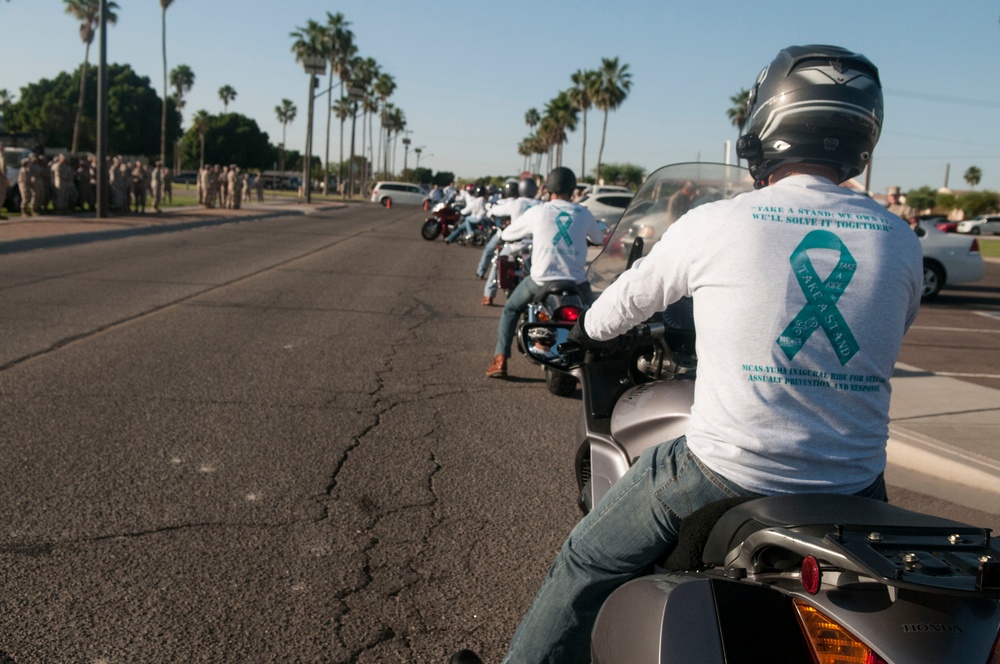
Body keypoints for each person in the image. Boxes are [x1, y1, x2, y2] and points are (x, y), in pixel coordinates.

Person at [494, 45, 922, 662]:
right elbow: (886, 328)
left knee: (585, 557)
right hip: (856, 485)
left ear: (767, 123)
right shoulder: (901, 240)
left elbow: (616, 309)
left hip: (726, 469)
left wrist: (585, 332)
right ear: (862, 132)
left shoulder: (718, 221)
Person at [485, 166, 604, 378]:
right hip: (576, 281)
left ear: (548, 189)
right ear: (573, 189)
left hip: (541, 280)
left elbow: (509, 234)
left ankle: (500, 359)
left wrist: (506, 233)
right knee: (599, 316)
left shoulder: (538, 212)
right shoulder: (583, 213)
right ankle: (602, 365)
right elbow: (598, 239)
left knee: (511, 309)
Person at [477, 177, 540, 305]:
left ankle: (488, 295)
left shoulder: (515, 203)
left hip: (516, 244)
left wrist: (490, 207)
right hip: (535, 246)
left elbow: (496, 211)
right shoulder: (540, 204)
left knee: (498, 263)